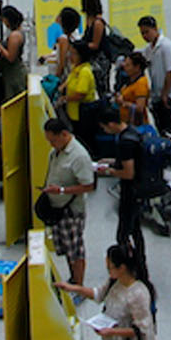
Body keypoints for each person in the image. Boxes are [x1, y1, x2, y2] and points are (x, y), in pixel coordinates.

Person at [52, 244, 157, 340]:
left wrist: (112, 332)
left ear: (122, 268)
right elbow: (98, 294)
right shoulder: (115, 281)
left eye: (109, 267)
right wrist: (73, 288)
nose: (108, 271)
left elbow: (141, 330)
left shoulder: (138, 294)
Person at [41, 118, 95, 286]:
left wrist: (62, 191)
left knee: (75, 251)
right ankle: (72, 279)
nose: (51, 144)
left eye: (53, 140)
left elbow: (89, 185)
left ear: (64, 134)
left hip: (72, 211)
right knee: (66, 248)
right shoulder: (57, 151)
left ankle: (79, 286)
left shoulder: (79, 157)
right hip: (57, 208)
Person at [95, 108, 147, 251]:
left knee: (123, 233)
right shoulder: (132, 132)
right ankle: (140, 265)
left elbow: (128, 173)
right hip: (139, 188)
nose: (105, 130)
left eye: (104, 127)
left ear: (111, 124)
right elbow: (130, 160)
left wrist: (109, 171)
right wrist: (111, 161)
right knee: (136, 230)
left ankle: (125, 265)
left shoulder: (125, 142)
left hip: (131, 191)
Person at [0, 6, 28, 135]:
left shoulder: (15, 36)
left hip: (13, 75)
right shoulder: (16, 33)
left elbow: (11, 57)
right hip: (8, 73)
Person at [137, 16, 171, 133]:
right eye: (142, 33)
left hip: (167, 95)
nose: (145, 36)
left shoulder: (166, 46)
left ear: (155, 28)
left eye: (147, 32)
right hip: (156, 94)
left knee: (167, 127)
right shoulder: (149, 49)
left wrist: (165, 94)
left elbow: (170, 71)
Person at [58, 43, 99, 146]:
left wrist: (64, 99)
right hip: (73, 113)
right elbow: (67, 82)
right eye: (70, 53)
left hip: (82, 114)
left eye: (74, 54)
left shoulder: (84, 72)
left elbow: (81, 94)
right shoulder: (75, 69)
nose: (70, 56)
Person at [116, 53, 151, 127]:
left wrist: (123, 103)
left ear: (137, 67)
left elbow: (139, 108)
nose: (124, 66)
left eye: (128, 65)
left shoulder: (140, 83)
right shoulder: (130, 81)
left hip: (136, 125)